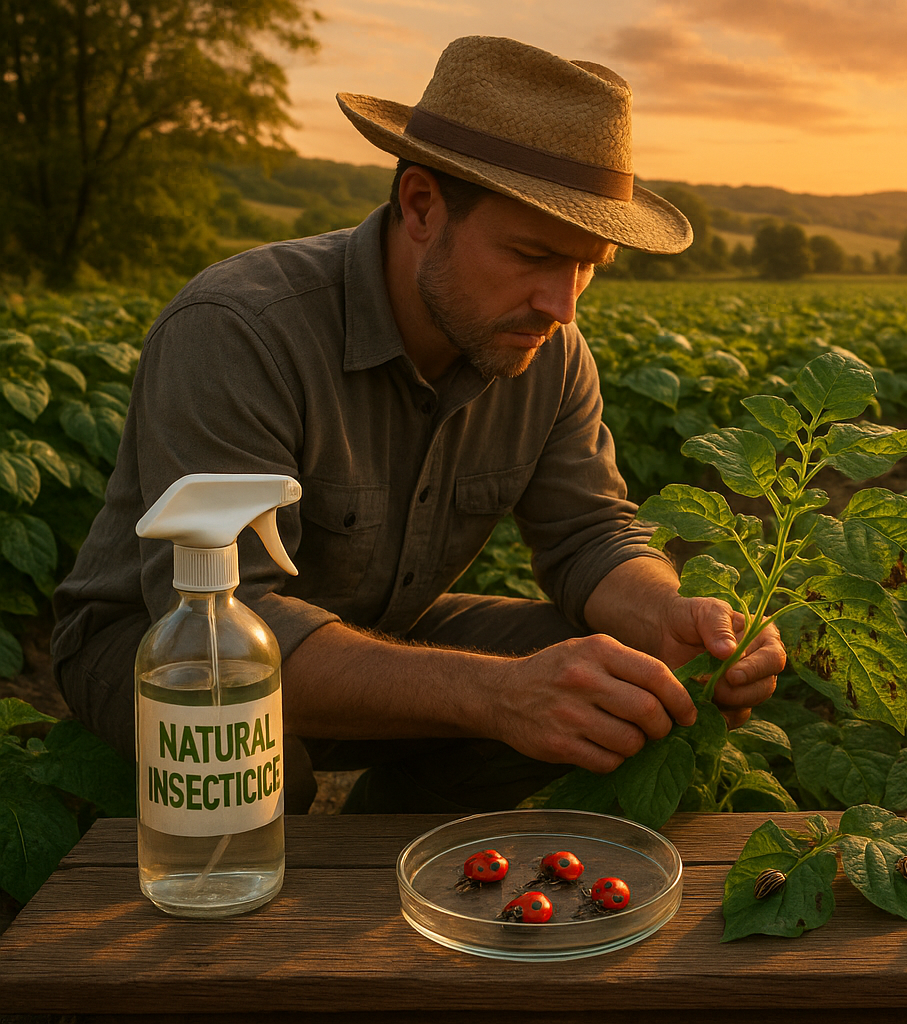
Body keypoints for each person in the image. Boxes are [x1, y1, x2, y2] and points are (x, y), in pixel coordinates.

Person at [50, 35, 785, 813]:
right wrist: (497, 694)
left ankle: (387, 836)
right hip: (161, 647)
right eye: (533, 254)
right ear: (422, 206)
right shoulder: (241, 327)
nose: (562, 304)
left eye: (587, 266)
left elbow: (591, 535)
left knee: (630, 692)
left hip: (377, 626)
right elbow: (225, 627)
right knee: (255, 765)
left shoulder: (549, 352)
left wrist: (668, 617)